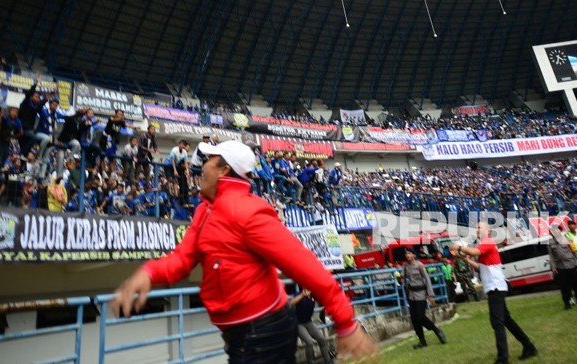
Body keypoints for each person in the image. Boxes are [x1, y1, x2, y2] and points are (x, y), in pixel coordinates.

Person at [110, 140, 378, 363]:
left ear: (224, 169)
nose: (200, 166)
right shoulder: (204, 210)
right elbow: (182, 260)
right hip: (243, 336)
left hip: (263, 333)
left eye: (208, 161)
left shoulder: (249, 211)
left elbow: (306, 266)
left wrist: (344, 321)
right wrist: (147, 273)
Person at [451, 223, 537, 364]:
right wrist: (466, 260)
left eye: (480, 228)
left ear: (488, 231)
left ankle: (503, 358)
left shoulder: (488, 242)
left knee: (497, 323)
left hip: (496, 288)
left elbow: (473, 252)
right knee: (506, 321)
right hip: (495, 288)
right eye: (477, 228)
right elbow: (481, 267)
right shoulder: (484, 245)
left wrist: (459, 247)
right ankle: (529, 346)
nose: (477, 230)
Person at [402, 248, 446, 349]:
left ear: (413, 255)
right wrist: (401, 279)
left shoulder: (419, 265)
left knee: (420, 317)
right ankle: (422, 341)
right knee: (414, 319)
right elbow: (403, 279)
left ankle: (436, 330)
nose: (407, 255)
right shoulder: (405, 267)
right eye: (406, 254)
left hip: (421, 294)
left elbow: (427, 279)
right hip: (411, 295)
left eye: (409, 253)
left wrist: (430, 295)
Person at [548, 223, 577, 309]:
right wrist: (553, 267)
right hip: (560, 268)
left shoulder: (569, 240)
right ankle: (567, 303)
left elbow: (575, 253)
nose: (553, 232)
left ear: (560, 231)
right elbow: (551, 256)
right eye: (551, 231)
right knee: (564, 287)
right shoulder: (550, 243)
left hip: (572, 266)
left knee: (576, 285)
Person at [292, 287, 334, 364]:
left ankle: (328, 361)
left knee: (321, 339)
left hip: (308, 322)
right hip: (298, 324)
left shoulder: (313, 296)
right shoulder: (299, 294)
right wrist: (302, 295)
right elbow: (291, 303)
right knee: (309, 342)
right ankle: (310, 362)